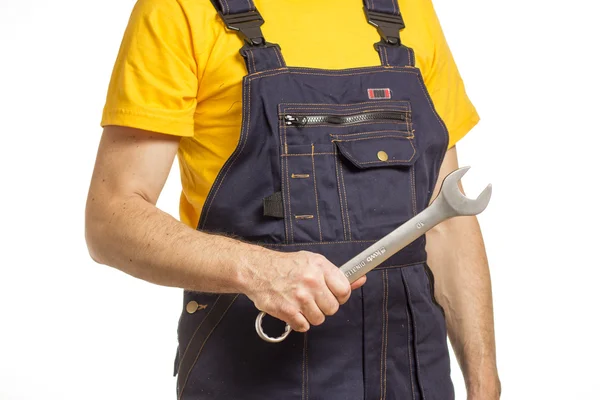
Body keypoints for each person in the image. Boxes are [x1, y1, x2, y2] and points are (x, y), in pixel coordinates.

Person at [85, 0, 500, 398]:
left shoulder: (406, 9)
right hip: (255, 374)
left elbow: (446, 220)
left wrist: (485, 388)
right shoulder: (180, 9)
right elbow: (110, 220)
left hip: (412, 374)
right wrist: (257, 270)